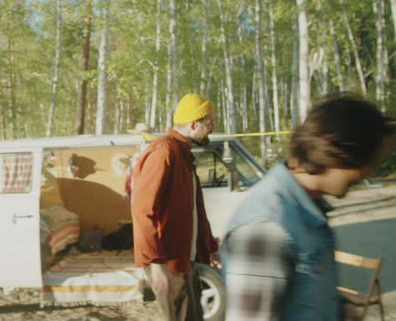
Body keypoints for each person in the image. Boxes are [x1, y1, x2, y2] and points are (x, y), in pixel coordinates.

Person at [221, 92, 395, 321]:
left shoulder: (305, 207)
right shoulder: (267, 231)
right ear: (335, 154)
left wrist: (340, 309)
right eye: (366, 162)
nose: (367, 173)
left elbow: (301, 294)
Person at [131, 93, 220, 321]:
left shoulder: (183, 155)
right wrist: (157, 264)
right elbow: (143, 211)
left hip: (184, 259)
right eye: (209, 122)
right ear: (193, 124)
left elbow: (194, 210)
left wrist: (209, 246)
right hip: (167, 261)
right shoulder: (164, 152)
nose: (212, 127)